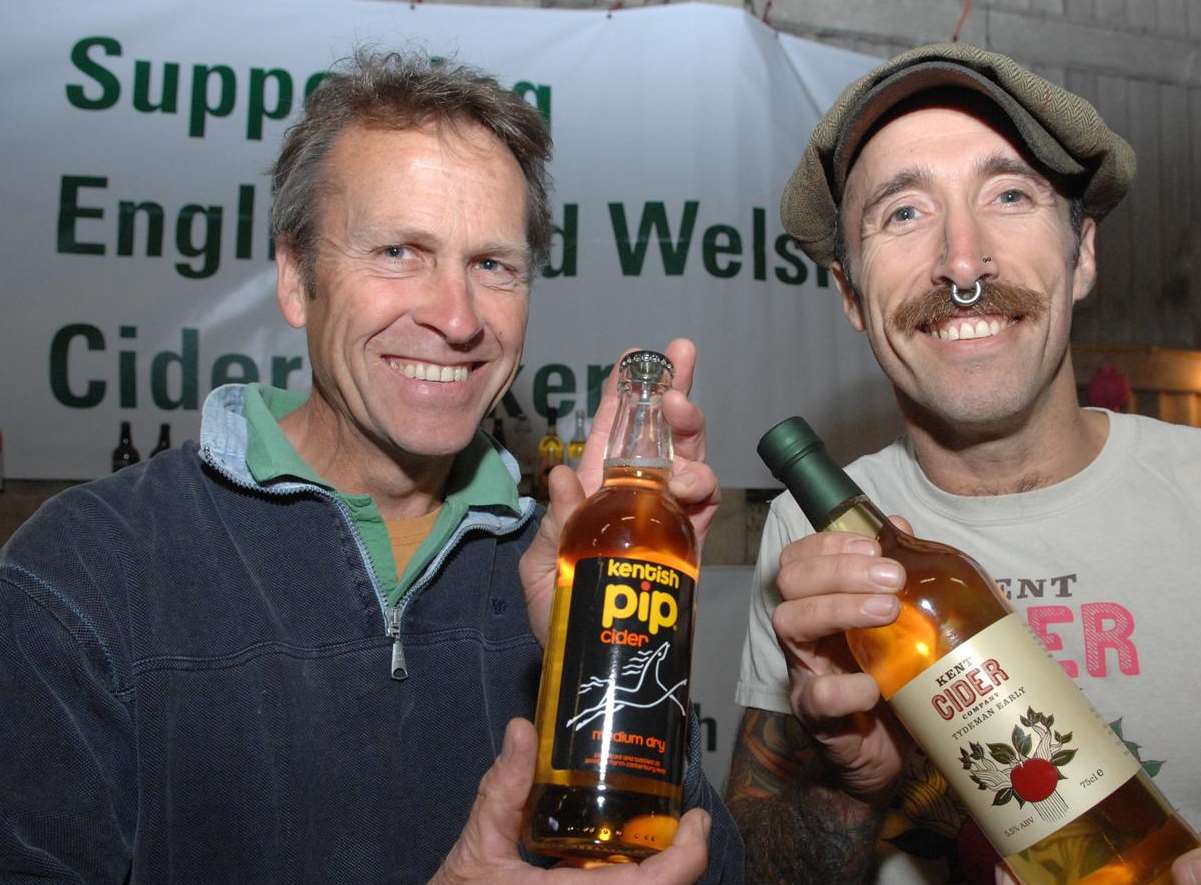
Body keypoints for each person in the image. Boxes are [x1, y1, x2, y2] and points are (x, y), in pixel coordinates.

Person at [0, 49, 741, 883]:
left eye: (492, 265)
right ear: (295, 279)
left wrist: (596, 656)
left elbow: (707, 869)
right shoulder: (84, 572)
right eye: (398, 251)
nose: (457, 318)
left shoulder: (564, 569)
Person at [726, 42, 1201, 885]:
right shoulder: (817, 543)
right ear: (852, 297)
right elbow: (759, 871)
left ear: (1082, 254)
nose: (963, 261)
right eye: (903, 213)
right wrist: (853, 780)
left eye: (1008, 194)